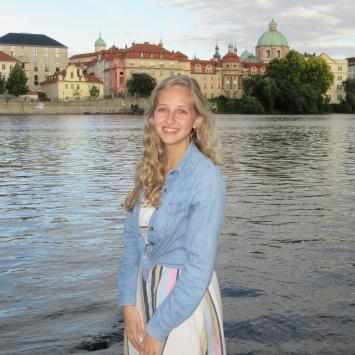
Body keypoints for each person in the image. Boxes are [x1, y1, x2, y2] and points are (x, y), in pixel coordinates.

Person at [118, 75, 226, 355]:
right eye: (163, 109)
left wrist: (157, 329)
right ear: (153, 116)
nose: (170, 119)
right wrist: (129, 304)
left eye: (181, 111)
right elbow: (131, 246)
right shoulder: (149, 168)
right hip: (142, 298)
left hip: (181, 308)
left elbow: (199, 269)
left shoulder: (206, 178)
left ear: (197, 120)